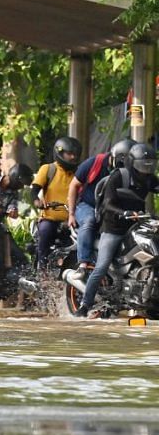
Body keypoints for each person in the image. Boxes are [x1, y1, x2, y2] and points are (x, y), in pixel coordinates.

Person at [78, 143, 159, 317]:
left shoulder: (149, 178)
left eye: (150, 165)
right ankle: (84, 305)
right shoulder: (118, 176)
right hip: (113, 227)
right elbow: (108, 204)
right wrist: (125, 213)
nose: (146, 169)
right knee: (102, 266)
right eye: (142, 165)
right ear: (131, 162)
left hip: (136, 225)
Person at [66, 138, 135, 278]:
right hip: (86, 205)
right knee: (89, 220)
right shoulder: (93, 163)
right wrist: (71, 214)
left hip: (109, 210)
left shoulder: (128, 172)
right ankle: (83, 264)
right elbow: (73, 185)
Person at [30, 136, 81, 270]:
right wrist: (37, 201)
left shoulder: (78, 173)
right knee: (45, 232)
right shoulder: (48, 169)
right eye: (69, 154)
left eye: (75, 155)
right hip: (50, 218)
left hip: (72, 220)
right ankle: (42, 268)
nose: (73, 158)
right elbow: (34, 190)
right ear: (60, 152)